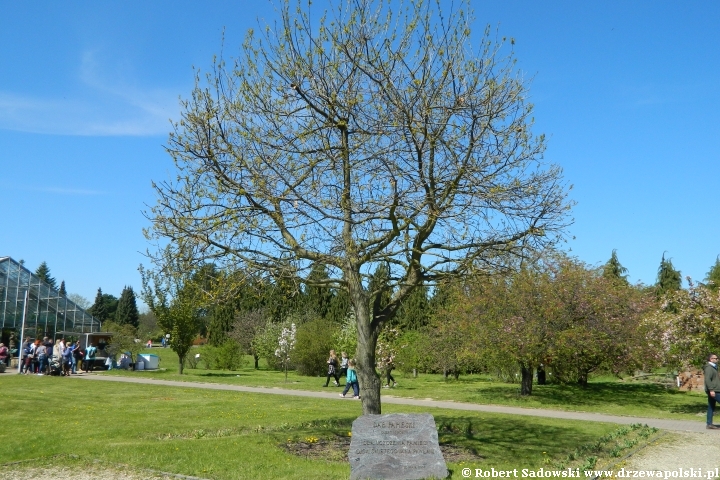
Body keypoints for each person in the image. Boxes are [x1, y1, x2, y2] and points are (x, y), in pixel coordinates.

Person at [704, 353, 720, 429]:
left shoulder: (714, 368)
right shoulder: (709, 368)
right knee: (711, 406)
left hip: (715, 390)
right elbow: (707, 379)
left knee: (711, 407)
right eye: (716, 358)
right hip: (714, 390)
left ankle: (709, 424)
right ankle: (709, 424)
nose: (717, 360)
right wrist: (711, 390)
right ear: (711, 359)